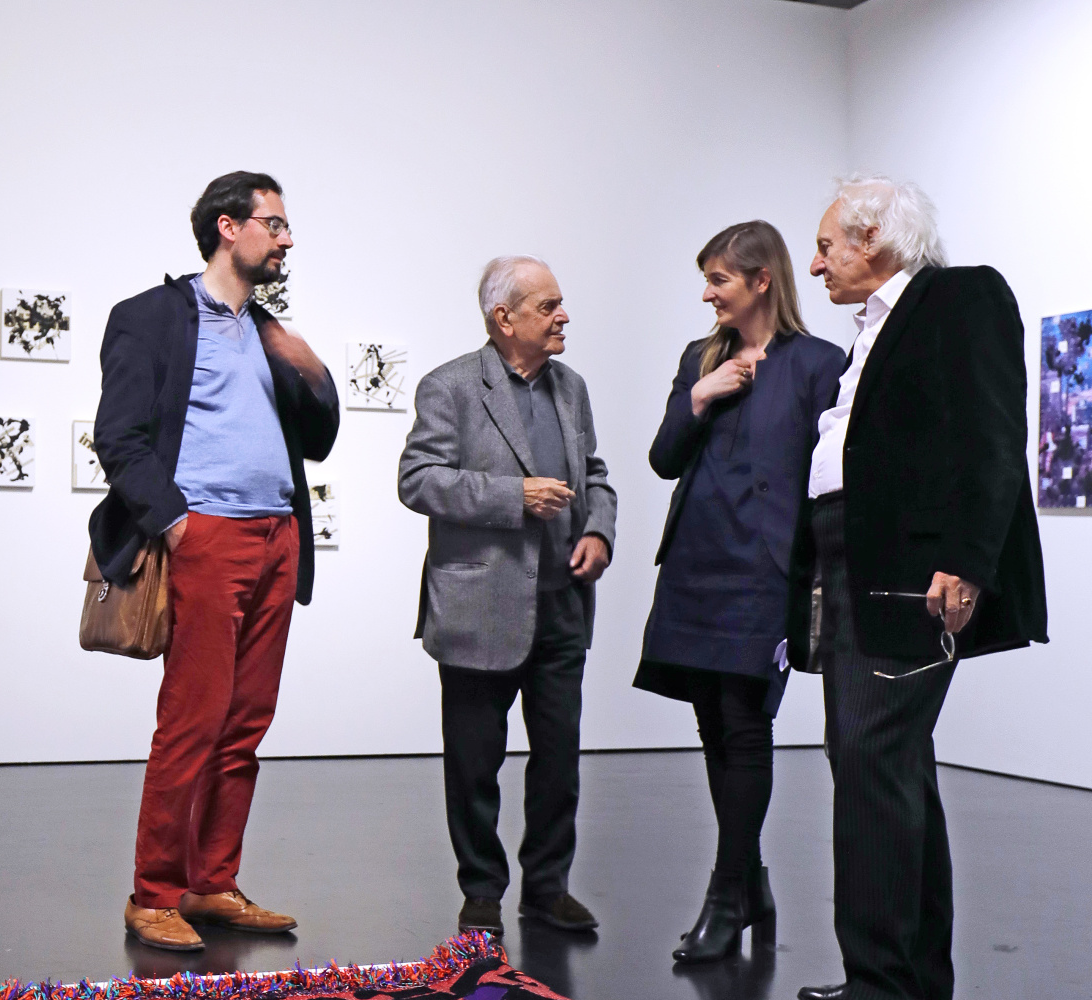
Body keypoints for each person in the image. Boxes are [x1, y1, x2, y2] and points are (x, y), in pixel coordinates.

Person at [788, 175, 1047, 1000]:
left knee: (871, 761)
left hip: (910, 574)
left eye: (828, 244)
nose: (818, 263)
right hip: (850, 562)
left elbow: (995, 433)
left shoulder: (960, 297)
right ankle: (909, 980)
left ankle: (881, 984)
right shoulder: (869, 329)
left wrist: (971, 560)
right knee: (884, 765)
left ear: (872, 239)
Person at [90, 171, 341, 952]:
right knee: (192, 721)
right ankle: (153, 894)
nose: (287, 238)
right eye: (275, 223)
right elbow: (119, 438)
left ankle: (211, 882)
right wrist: (174, 524)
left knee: (244, 724)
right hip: (205, 538)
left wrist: (314, 373)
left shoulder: (270, 332)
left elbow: (319, 440)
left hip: (277, 538)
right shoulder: (149, 318)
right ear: (229, 228)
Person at [634, 221, 846, 963]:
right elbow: (663, 459)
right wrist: (700, 394)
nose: (707, 292)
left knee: (745, 724)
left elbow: (829, 479)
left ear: (762, 280)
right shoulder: (702, 357)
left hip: (767, 574)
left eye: (719, 278)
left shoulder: (821, 363)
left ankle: (727, 894)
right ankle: (747, 882)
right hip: (697, 564)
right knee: (713, 729)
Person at [398, 255, 617, 937]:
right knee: (473, 765)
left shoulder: (571, 387)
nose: (564, 317)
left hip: (561, 604)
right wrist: (511, 497)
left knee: (560, 760)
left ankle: (547, 888)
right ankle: (483, 891)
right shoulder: (451, 387)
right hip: (477, 606)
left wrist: (600, 533)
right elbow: (418, 480)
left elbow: (596, 475)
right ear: (505, 318)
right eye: (549, 306)